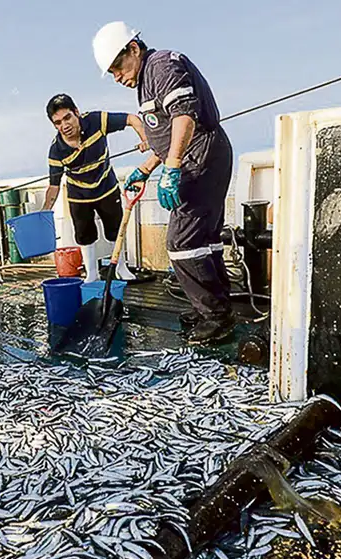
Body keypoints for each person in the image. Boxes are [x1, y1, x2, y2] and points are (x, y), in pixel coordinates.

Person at [94, 21, 235, 345]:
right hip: (197, 154)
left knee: (182, 243)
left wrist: (171, 169)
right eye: (111, 72)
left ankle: (217, 317)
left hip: (201, 154)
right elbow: (164, 136)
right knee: (205, 240)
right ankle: (212, 307)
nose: (117, 76)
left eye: (118, 65)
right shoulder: (145, 82)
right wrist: (146, 168)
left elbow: (185, 116)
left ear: (133, 48)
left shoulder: (160, 66)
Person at [41, 93, 148, 283]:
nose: (64, 126)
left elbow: (132, 119)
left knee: (116, 230)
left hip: (106, 187)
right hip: (79, 195)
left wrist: (145, 138)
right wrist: (43, 213)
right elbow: (54, 186)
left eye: (67, 118)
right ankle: (92, 274)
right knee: (84, 235)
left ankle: (120, 268)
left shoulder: (97, 121)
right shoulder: (56, 150)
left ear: (77, 113)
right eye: (58, 123)